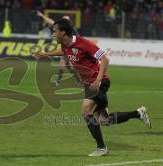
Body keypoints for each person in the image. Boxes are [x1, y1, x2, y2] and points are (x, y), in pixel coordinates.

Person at [35, 19, 152, 157]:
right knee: (105, 120)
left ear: (63, 32)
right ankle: (138, 113)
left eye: (55, 31)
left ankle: (101, 148)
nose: (53, 34)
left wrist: (98, 79)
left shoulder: (83, 43)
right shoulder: (64, 43)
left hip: (98, 83)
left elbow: (105, 59)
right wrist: (47, 54)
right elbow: (64, 51)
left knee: (85, 111)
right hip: (89, 84)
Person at [37, 11, 81, 86]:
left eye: (66, 20)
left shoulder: (72, 29)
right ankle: (76, 81)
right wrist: (42, 16)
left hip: (72, 49)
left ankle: (59, 82)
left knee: (66, 65)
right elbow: (50, 21)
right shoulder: (61, 27)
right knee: (67, 66)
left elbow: (78, 40)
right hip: (65, 49)